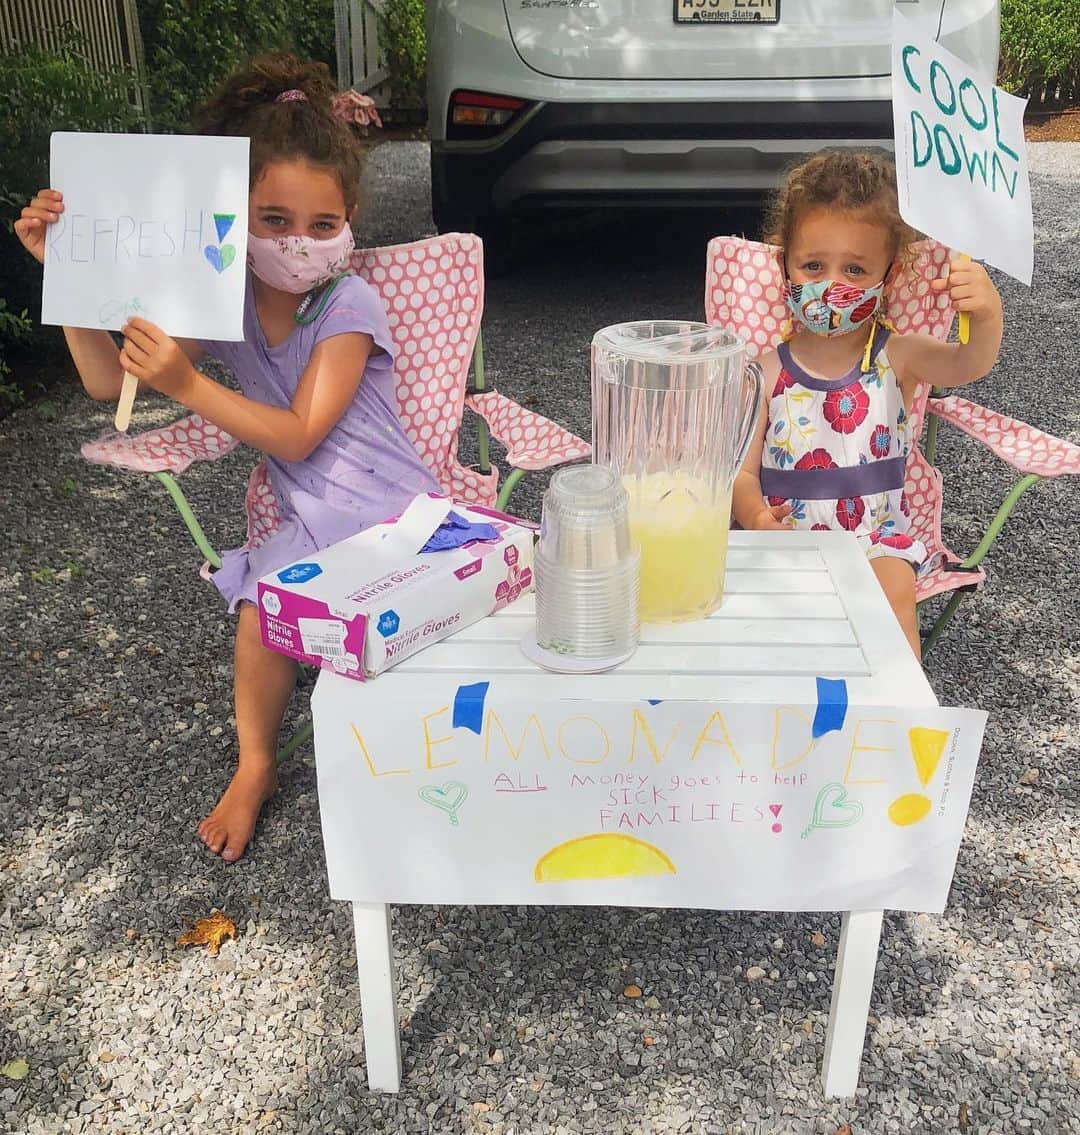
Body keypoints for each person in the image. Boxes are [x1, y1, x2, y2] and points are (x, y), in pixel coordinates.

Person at [15, 53, 441, 862]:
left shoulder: (349, 302)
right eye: (272, 222)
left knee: (424, 637)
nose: (299, 244)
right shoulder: (226, 302)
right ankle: (256, 765)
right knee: (259, 617)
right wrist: (66, 273)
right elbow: (108, 380)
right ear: (230, 218)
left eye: (322, 225)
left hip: (396, 515)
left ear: (349, 218)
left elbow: (298, 433)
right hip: (315, 523)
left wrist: (187, 384)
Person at [731, 149, 1004, 658]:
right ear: (783, 265)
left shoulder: (897, 357)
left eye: (855, 269)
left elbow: (969, 363)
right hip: (790, 544)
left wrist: (986, 315)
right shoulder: (766, 371)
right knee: (767, 627)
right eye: (813, 265)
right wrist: (754, 517)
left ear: (890, 276)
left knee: (894, 591)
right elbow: (741, 475)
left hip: (875, 541)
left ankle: (897, 721)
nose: (832, 286)